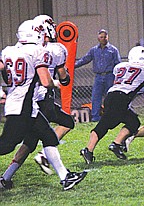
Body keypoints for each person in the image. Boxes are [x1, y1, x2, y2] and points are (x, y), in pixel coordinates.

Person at [0, 20, 87, 190]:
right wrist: (55, 83)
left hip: (24, 103)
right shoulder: (39, 50)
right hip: (24, 106)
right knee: (7, 144)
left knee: (48, 136)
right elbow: (46, 82)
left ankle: (65, 177)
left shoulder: (9, 50)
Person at [79, 46, 144, 163]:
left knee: (133, 122)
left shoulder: (121, 66)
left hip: (112, 96)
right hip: (121, 98)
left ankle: (116, 144)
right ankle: (88, 150)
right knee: (104, 125)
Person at [75, 29, 121, 122]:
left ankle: (111, 116)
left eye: (105, 37)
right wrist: (72, 66)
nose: (103, 39)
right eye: (101, 37)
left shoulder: (113, 50)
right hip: (98, 77)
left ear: (107, 37)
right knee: (96, 97)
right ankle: (95, 117)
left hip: (110, 76)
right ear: (98, 38)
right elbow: (85, 59)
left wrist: (118, 77)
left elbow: (118, 64)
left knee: (110, 97)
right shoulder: (94, 50)